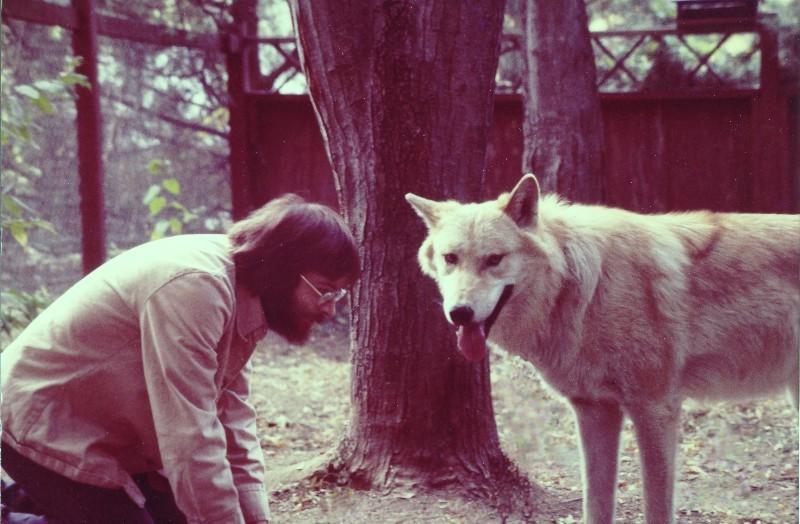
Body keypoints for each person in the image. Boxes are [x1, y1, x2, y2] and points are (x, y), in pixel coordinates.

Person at [1, 194, 360, 524]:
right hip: (42, 423)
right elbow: (189, 432)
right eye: (325, 290)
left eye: (339, 294)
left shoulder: (247, 290)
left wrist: (256, 519)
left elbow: (233, 419)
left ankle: (34, 500)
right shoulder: (195, 287)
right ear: (283, 267)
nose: (329, 309)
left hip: (102, 434)